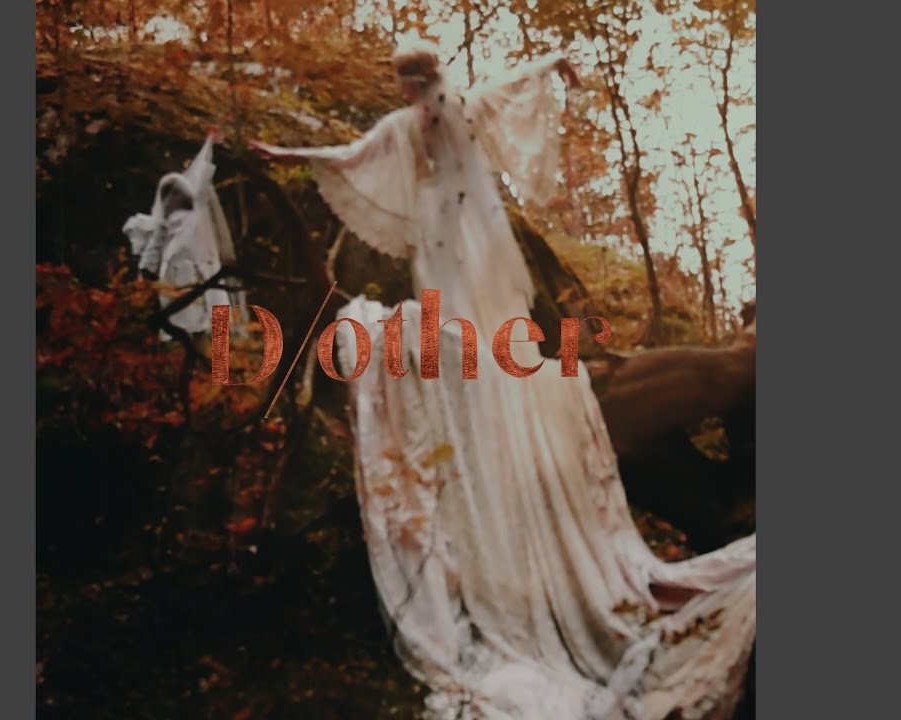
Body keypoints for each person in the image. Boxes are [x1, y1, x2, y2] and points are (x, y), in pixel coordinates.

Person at [254, 39, 756, 720]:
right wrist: (289, 155)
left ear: (425, 79)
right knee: (452, 313)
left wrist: (554, 64)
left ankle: (491, 355)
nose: (411, 91)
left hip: (472, 229)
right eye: (407, 82)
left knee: (484, 315)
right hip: (446, 231)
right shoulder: (414, 124)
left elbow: (504, 89)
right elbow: (359, 152)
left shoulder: (450, 110)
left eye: (413, 79)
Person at [124, 126, 244, 338]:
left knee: (203, 319)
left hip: (199, 275)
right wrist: (144, 271)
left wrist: (208, 145)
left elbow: (200, 175)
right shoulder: (163, 224)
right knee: (178, 322)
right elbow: (154, 248)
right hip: (174, 277)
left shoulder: (195, 214)